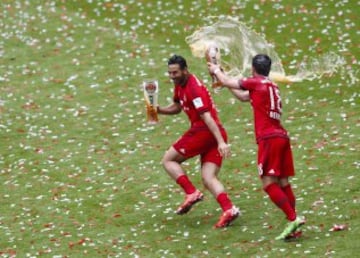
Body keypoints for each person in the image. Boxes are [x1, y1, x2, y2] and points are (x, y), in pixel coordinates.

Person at [207, 54, 305, 240]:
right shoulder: (271, 86)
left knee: (269, 184)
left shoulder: (255, 82)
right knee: (283, 183)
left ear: (253, 69)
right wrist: (225, 82)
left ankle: (293, 218)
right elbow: (243, 96)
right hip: (281, 136)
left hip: (269, 139)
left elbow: (229, 81)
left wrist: (216, 71)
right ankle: (294, 226)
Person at [156, 54, 239, 228]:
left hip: (204, 132)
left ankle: (191, 192)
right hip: (215, 134)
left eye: (175, 73)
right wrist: (159, 110)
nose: (172, 76)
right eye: (170, 73)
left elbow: (207, 117)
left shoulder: (194, 88)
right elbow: (178, 107)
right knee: (208, 177)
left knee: (168, 160)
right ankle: (229, 209)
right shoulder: (180, 84)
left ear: (185, 70)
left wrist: (221, 143)